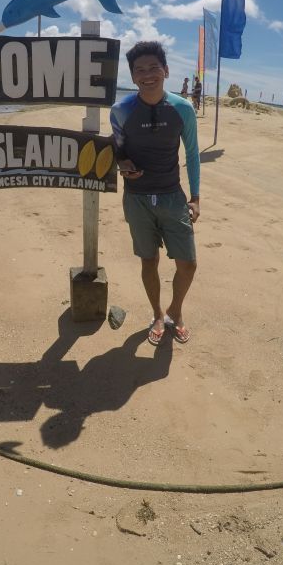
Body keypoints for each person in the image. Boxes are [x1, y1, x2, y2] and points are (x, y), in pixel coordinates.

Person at [110, 41, 200, 346]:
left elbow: (192, 153)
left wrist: (196, 197)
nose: (148, 74)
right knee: (149, 261)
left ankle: (176, 310)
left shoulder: (182, 108)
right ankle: (158, 314)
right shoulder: (121, 110)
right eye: (140, 70)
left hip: (172, 195)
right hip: (136, 198)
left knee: (188, 263)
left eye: (153, 68)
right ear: (133, 77)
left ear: (166, 70)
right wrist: (124, 165)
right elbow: (118, 150)